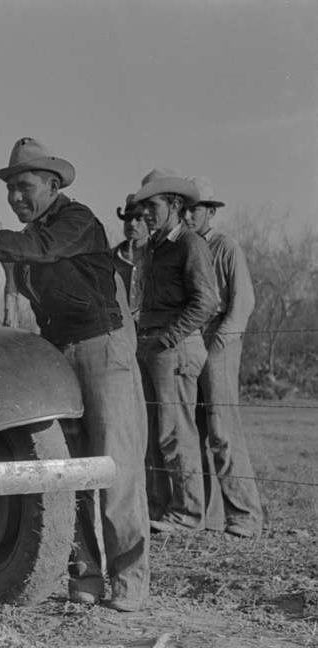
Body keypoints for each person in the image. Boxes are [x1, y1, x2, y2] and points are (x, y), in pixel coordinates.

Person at [0, 137, 150, 612]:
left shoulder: (75, 220)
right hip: (57, 355)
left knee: (115, 467)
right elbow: (24, 255)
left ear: (52, 184)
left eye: (23, 186)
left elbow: (39, 248)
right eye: (10, 189)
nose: (15, 197)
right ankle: (85, 577)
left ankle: (130, 582)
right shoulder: (33, 234)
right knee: (70, 471)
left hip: (101, 352)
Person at [131, 169, 218, 535]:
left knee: (175, 431)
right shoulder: (155, 246)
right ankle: (165, 507)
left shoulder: (190, 245)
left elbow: (207, 302)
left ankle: (187, 514)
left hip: (176, 348)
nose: (145, 214)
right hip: (154, 345)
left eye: (152, 206)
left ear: (175, 205)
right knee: (154, 431)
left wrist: (167, 338)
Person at [184, 176, 262, 538]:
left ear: (210, 212)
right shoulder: (182, 248)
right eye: (182, 208)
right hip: (190, 343)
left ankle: (245, 515)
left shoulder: (224, 247)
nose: (187, 215)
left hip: (218, 342)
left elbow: (242, 304)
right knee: (191, 430)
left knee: (222, 430)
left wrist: (217, 345)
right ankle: (207, 516)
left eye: (195, 209)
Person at [112, 194, 150, 324]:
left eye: (139, 219)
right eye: (128, 219)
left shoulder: (160, 256)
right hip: (120, 331)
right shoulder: (110, 258)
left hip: (153, 331)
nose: (132, 224)